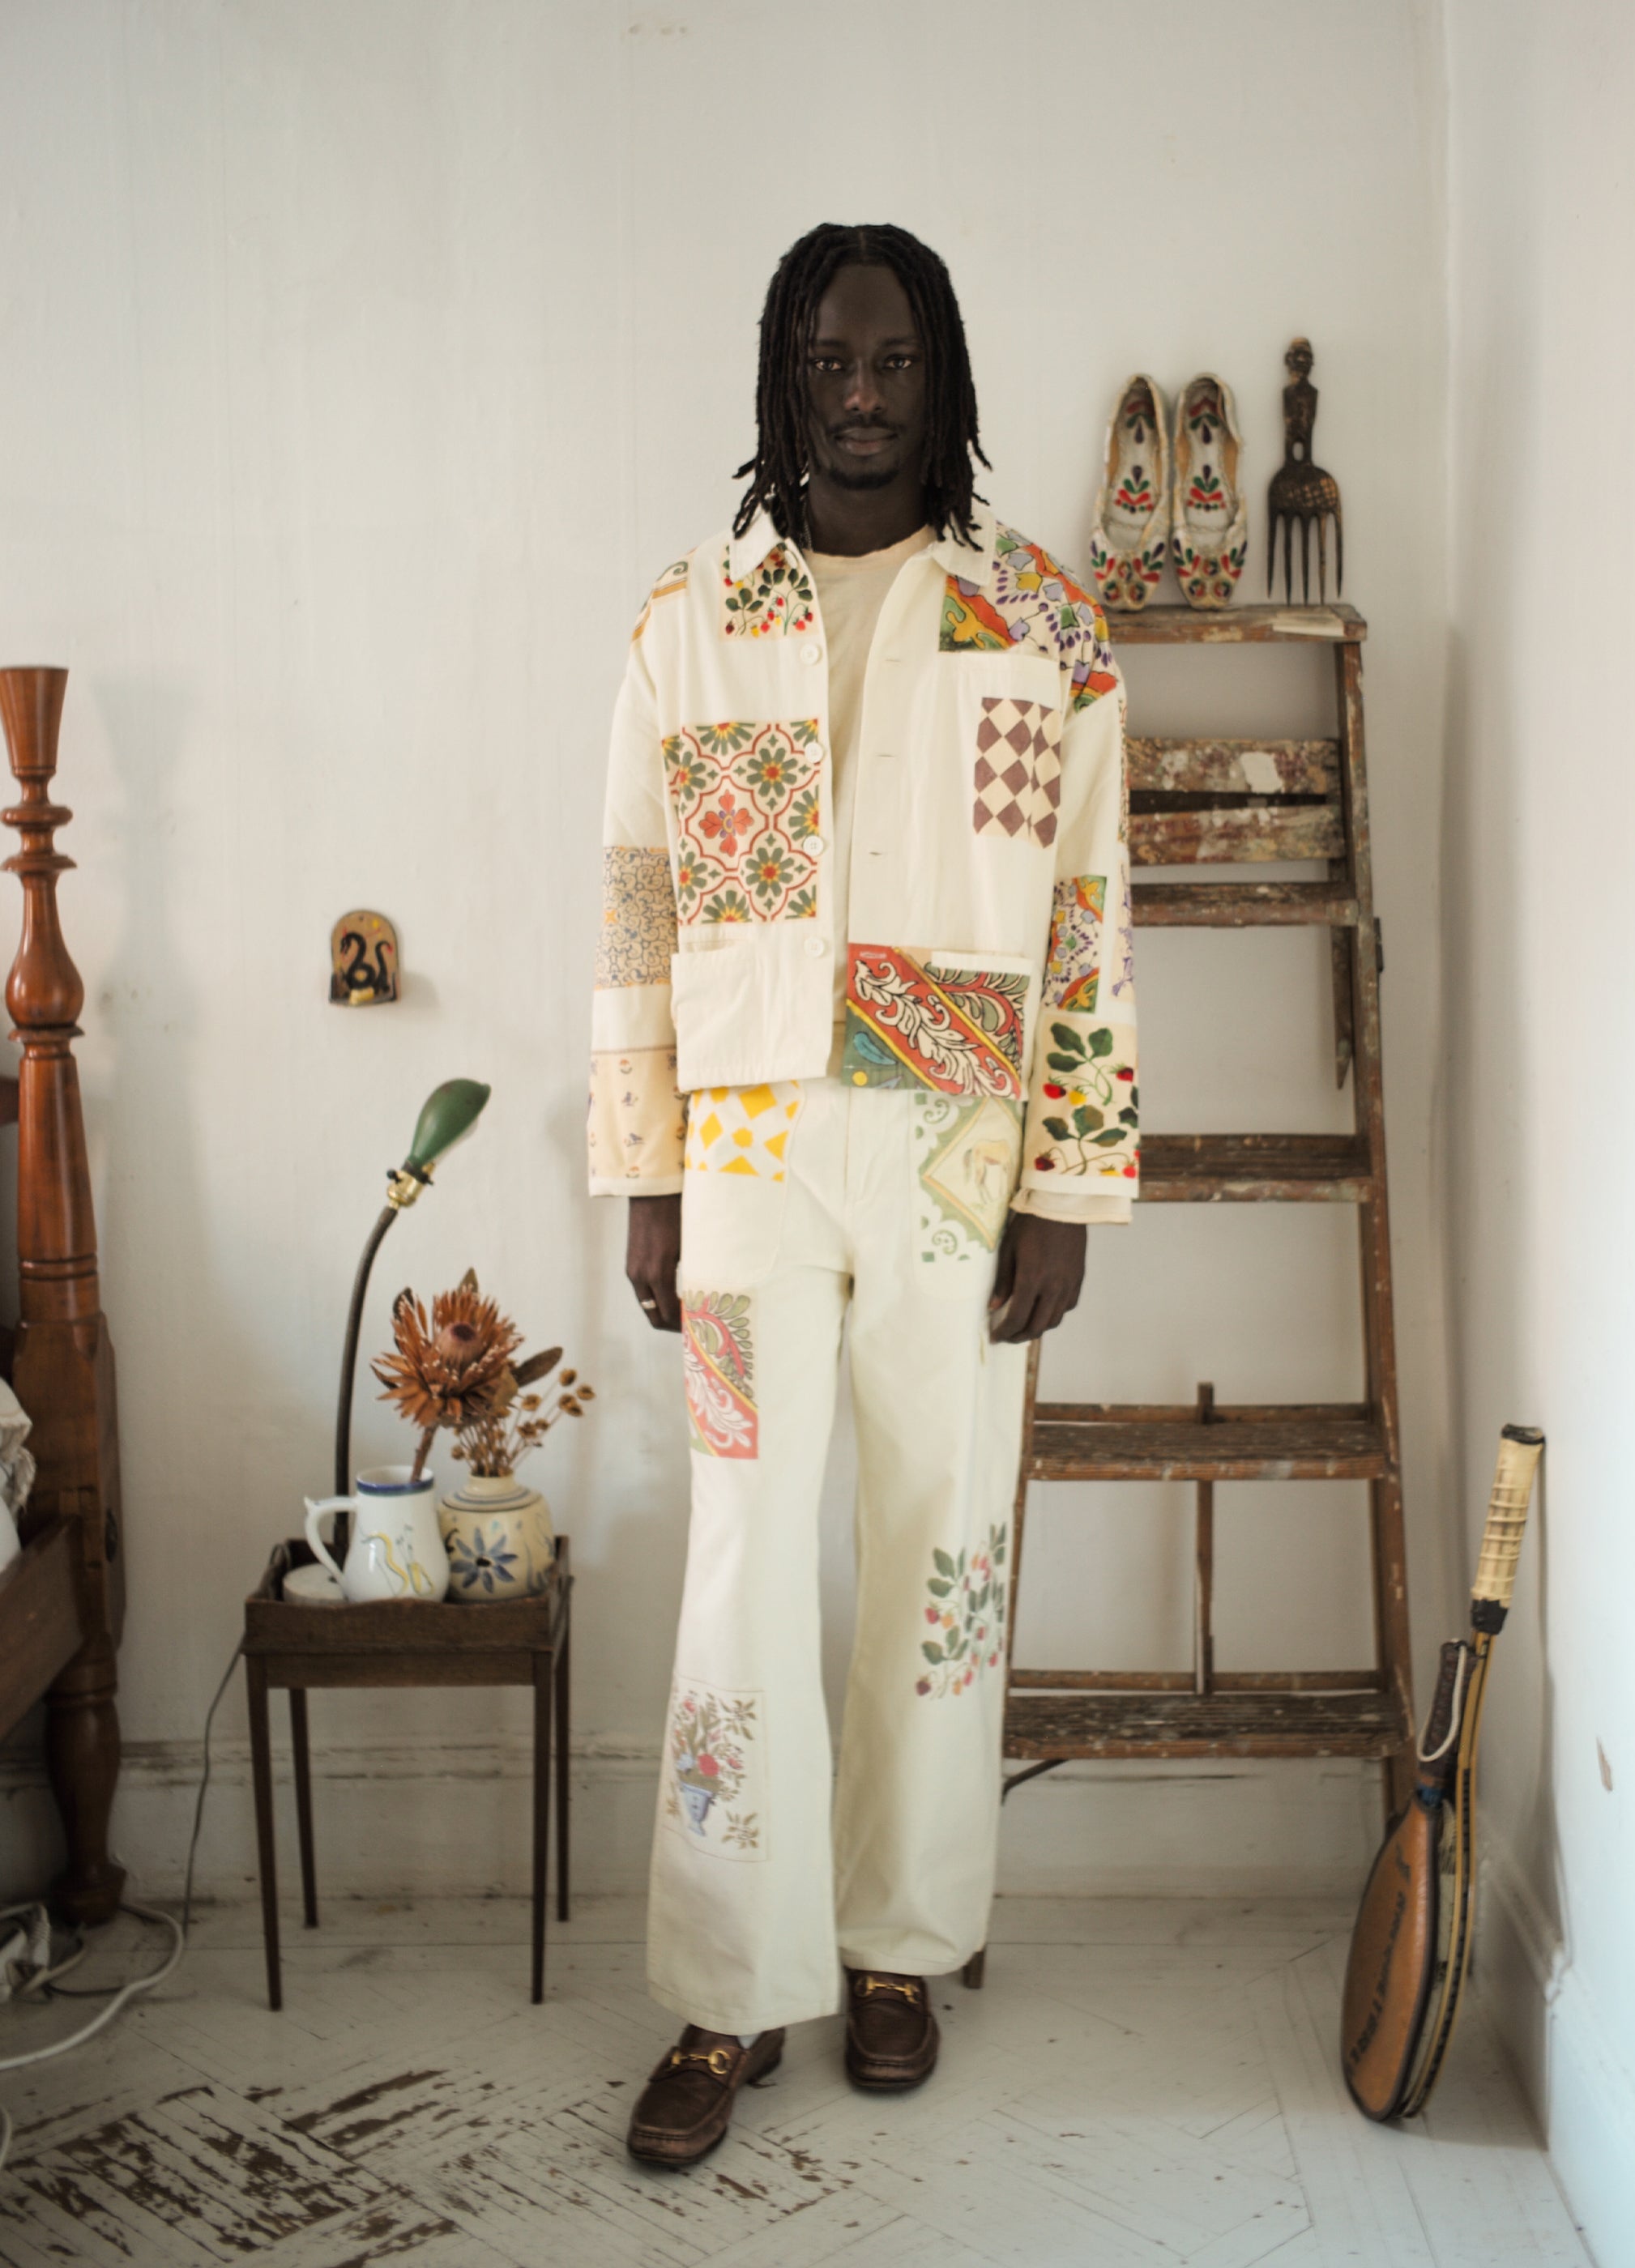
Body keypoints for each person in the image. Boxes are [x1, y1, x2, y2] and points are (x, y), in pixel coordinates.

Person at [588, 222, 1138, 2168]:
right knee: (745, 1553)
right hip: (744, 1151)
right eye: (830, 357)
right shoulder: (693, 616)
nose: (864, 388)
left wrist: (1067, 1178)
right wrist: (645, 1167)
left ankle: (899, 1945)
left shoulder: (1039, 626)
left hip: (955, 1160)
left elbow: (1086, 920)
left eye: (894, 355)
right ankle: (727, 1987)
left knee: (938, 1554)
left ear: (942, 372)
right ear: (784, 376)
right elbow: (639, 907)